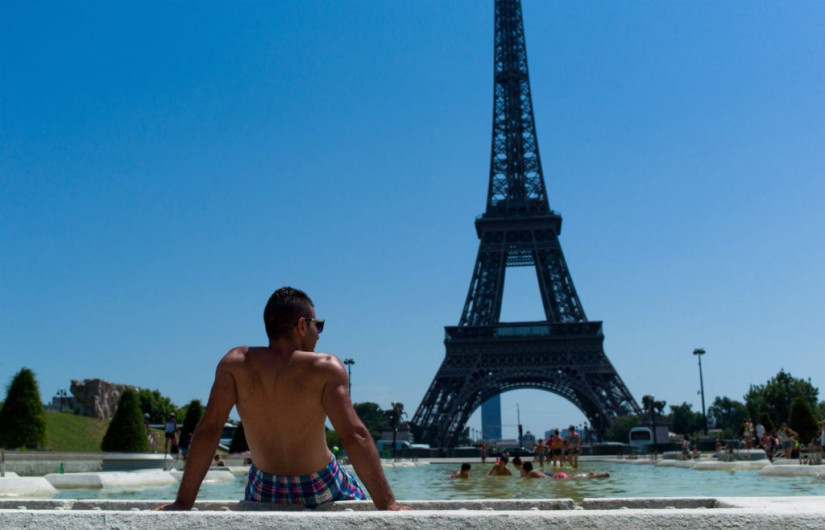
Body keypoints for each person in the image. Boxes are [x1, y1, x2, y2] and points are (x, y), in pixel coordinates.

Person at [156, 287, 406, 511]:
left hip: (265, 487)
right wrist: (388, 503)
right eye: (316, 325)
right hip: (320, 484)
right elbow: (355, 435)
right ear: (301, 325)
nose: (318, 334)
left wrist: (183, 503)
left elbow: (208, 430)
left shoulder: (235, 364)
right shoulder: (326, 367)